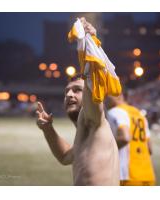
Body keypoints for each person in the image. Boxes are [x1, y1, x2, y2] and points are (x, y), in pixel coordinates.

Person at [36, 18, 120, 186]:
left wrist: (89, 44)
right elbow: (66, 156)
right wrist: (48, 129)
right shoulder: (86, 130)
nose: (69, 94)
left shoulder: (93, 117)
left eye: (77, 90)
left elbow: (92, 89)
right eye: (66, 91)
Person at [106, 92, 156, 186]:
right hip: (148, 175)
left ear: (118, 94)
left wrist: (104, 149)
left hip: (128, 175)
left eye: (107, 94)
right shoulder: (139, 114)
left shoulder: (115, 111)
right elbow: (150, 148)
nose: (105, 98)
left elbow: (125, 138)